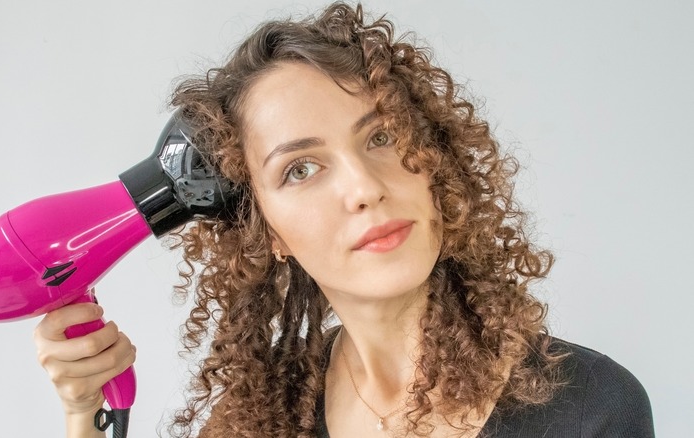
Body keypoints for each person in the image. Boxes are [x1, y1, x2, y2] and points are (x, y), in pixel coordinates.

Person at [33, 2, 654, 437]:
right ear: (268, 230)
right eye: (300, 168)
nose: (363, 188)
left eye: (381, 136)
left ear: (433, 162)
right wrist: (87, 412)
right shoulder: (265, 417)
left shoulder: (590, 408)